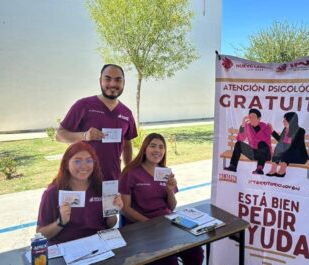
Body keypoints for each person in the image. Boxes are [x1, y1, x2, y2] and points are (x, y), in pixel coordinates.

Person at [119, 133, 204, 265]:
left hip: (167, 222)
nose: (157, 150)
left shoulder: (165, 172)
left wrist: (170, 189)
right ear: (144, 149)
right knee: (168, 260)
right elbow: (125, 208)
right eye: (153, 146)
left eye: (161, 147)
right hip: (143, 226)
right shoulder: (130, 173)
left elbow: (172, 207)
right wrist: (150, 223)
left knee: (196, 251)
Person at [56, 64, 138, 181]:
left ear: (123, 82)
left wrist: (128, 169)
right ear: (100, 80)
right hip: (83, 178)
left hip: (112, 179)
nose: (113, 84)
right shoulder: (83, 105)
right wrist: (84, 135)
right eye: (108, 79)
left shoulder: (127, 113)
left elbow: (127, 144)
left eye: (118, 79)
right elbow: (59, 135)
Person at [36, 141, 123, 245]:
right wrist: (61, 222)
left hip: (98, 245)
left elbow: (111, 224)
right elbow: (40, 234)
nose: (84, 166)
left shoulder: (101, 188)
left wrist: (112, 210)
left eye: (89, 160)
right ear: (66, 165)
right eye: (77, 161)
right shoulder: (52, 193)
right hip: (66, 247)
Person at [224, 109, 272, 175]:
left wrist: (256, 127)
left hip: (265, 154)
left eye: (253, 117)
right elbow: (240, 139)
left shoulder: (265, 126)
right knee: (238, 144)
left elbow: (262, 138)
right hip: (254, 153)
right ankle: (233, 166)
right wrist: (243, 126)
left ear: (259, 119)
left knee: (261, 143)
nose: (251, 119)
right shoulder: (247, 126)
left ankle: (259, 169)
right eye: (250, 117)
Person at [266, 112, 309, 177]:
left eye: (285, 120)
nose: (283, 121)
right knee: (279, 147)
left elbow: (297, 146)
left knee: (284, 149)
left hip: (297, 156)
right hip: (286, 155)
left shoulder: (300, 131)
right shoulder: (285, 129)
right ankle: (273, 169)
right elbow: (280, 140)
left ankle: (282, 170)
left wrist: (285, 146)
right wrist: (272, 131)